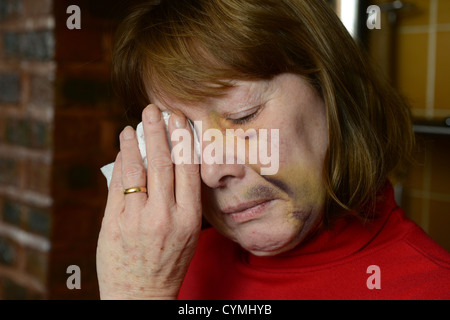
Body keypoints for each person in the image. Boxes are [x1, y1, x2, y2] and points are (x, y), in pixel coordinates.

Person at [96, 0, 450, 299]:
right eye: (183, 137)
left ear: (332, 95)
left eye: (242, 116)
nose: (210, 170)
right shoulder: (169, 264)